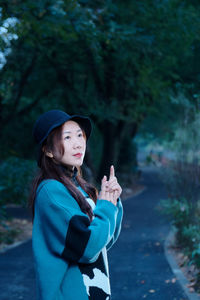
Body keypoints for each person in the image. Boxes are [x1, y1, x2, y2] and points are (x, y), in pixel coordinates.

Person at [30, 109, 123, 300]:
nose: (78, 142)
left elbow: (103, 243)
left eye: (80, 135)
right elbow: (87, 248)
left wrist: (112, 201)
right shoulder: (51, 191)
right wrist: (105, 207)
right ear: (48, 150)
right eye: (68, 137)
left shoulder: (77, 187)